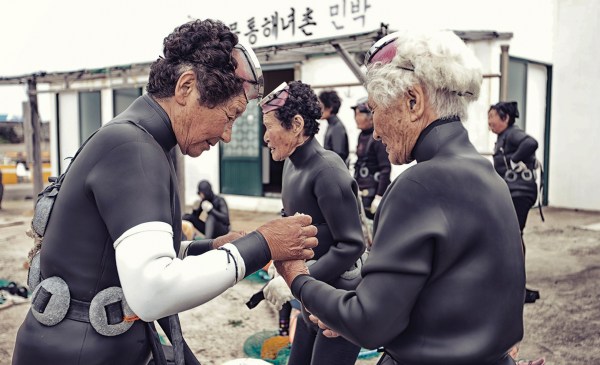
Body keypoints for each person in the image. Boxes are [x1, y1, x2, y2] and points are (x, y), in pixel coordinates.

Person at [13, 19, 317, 365]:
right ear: (186, 87)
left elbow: (124, 256)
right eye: (229, 116)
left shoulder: (136, 139)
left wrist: (210, 247)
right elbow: (152, 291)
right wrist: (262, 243)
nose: (228, 135)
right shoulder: (134, 148)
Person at [274, 30, 528, 365]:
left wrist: (297, 276)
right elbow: (442, 293)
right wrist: (341, 308)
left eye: (375, 108)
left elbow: (370, 324)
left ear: (413, 101)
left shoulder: (419, 185)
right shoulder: (487, 175)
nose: (375, 130)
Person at [260, 81, 366, 365]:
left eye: (269, 127)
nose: (266, 137)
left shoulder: (328, 170)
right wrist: (280, 264)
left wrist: (297, 280)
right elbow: (291, 225)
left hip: (339, 301)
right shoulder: (291, 164)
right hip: (311, 294)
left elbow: (352, 245)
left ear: (296, 124)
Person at [488, 101, 541, 304]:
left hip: (520, 192)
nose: (489, 121)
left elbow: (531, 143)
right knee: (513, 235)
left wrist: (514, 160)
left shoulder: (512, 133)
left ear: (506, 118)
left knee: (514, 234)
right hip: (514, 192)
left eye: (493, 116)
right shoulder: (503, 137)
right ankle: (515, 284)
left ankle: (518, 286)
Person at [351, 96, 391, 219]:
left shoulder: (377, 138)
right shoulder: (361, 136)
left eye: (359, 114)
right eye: (355, 114)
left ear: (370, 117)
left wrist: (379, 196)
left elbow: (385, 168)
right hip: (363, 193)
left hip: (374, 193)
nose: (356, 118)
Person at [318, 90, 349, 165]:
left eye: (321, 106)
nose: (319, 109)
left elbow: (338, 157)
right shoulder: (332, 125)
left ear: (330, 108)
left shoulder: (337, 127)